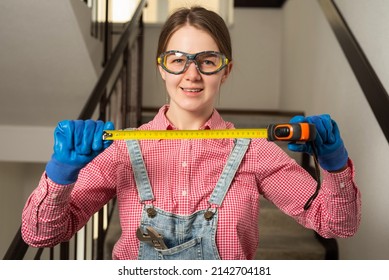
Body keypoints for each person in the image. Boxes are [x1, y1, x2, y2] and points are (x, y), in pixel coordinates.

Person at [21, 6, 361, 260]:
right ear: (161, 67)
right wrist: (61, 174)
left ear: (225, 71)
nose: (192, 73)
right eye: (177, 59)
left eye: (208, 60)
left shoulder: (253, 151)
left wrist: (334, 164)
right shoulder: (124, 150)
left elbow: (336, 226)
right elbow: (40, 234)